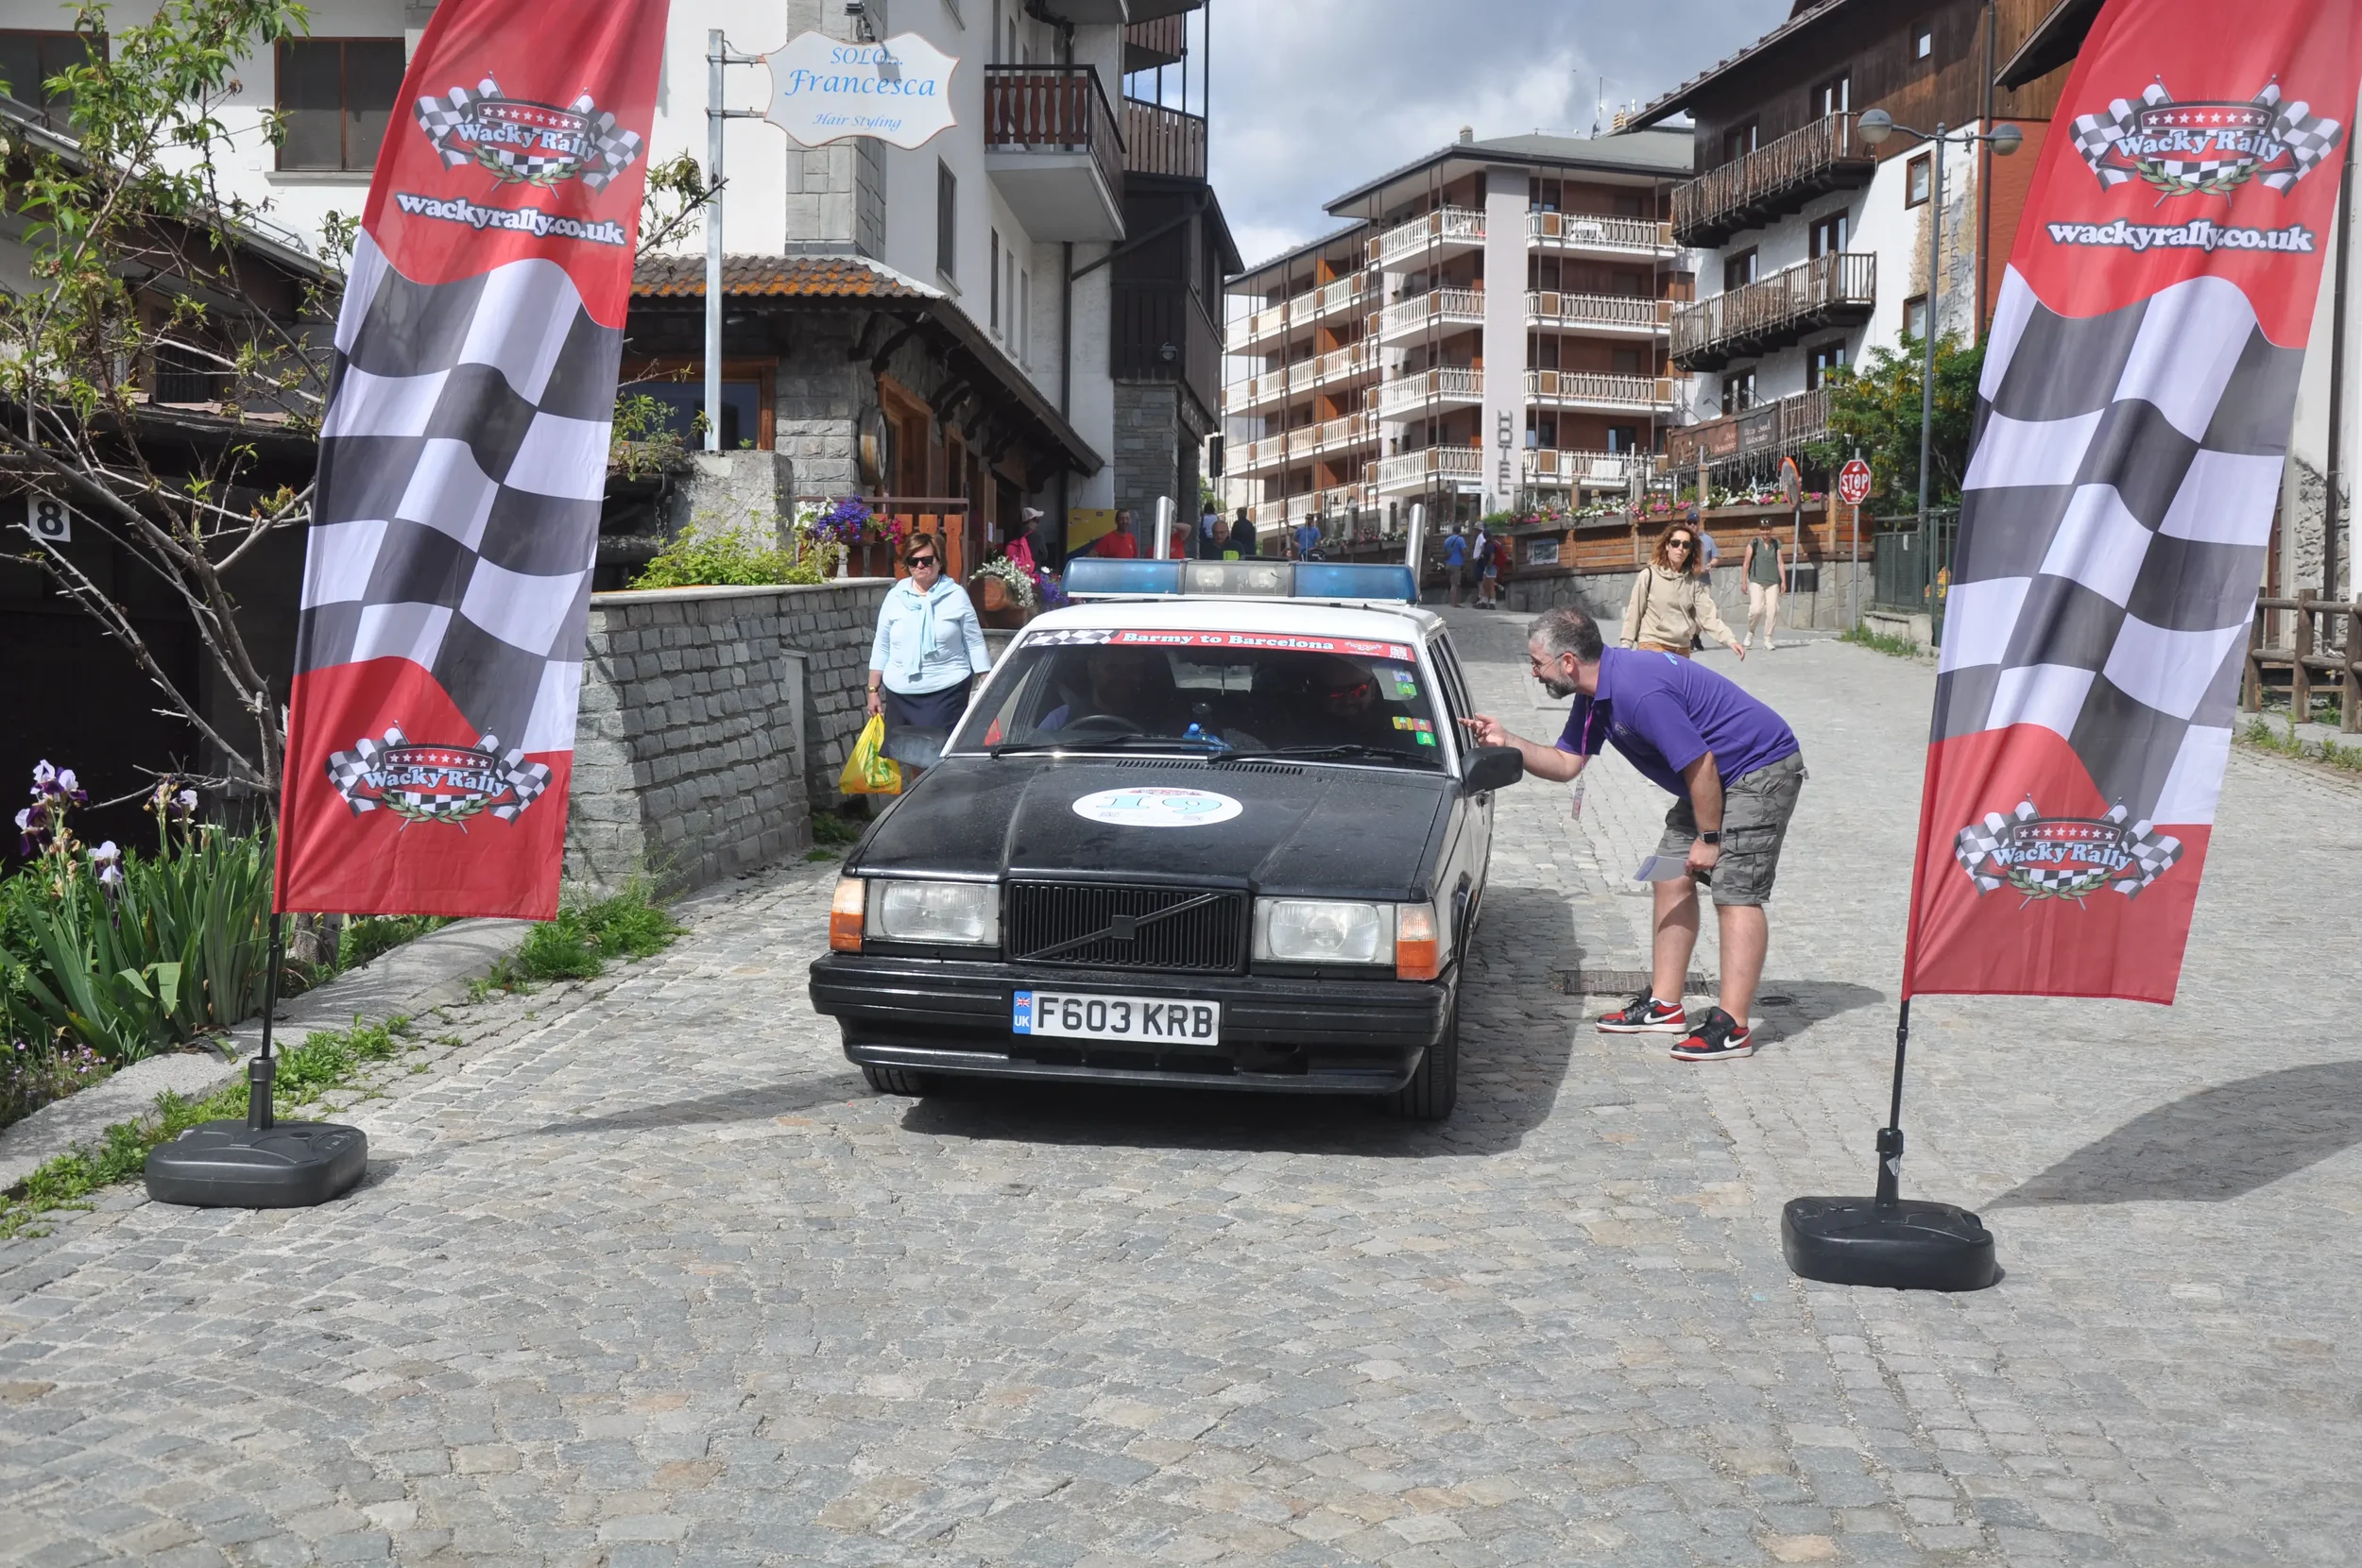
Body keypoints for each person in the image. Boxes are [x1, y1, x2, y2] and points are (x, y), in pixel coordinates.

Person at [1464, 605, 1806, 1062]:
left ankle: (1733, 1026)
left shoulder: (1637, 691)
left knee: (1735, 889)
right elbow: (1567, 765)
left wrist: (1709, 840)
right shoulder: (1594, 694)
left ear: (1568, 662)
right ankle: (1665, 1005)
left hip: (1757, 768)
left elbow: (1700, 762)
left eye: (1536, 663)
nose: (1533, 674)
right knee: (1669, 872)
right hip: (1708, 779)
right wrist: (1510, 742)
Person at [866, 536, 992, 767]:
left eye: (926, 560)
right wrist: (873, 690)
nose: (920, 566)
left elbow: (974, 642)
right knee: (913, 758)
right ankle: (922, 800)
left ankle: (945, 800)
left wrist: (987, 681)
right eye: (913, 561)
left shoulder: (956, 595)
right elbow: (882, 644)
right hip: (902, 693)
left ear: (939, 561)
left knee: (941, 759)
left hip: (947, 690)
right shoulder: (895, 597)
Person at [1622, 524, 1744, 659]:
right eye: (1675, 543)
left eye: (1686, 545)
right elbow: (1634, 612)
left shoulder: (1692, 581)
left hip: (1682, 648)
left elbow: (1707, 616)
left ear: (1690, 551)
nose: (1680, 548)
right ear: (1667, 546)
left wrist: (1730, 640)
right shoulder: (1649, 575)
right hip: (1653, 644)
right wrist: (1625, 646)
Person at [1744, 523, 1784, 651]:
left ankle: (1768, 639)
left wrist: (1783, 581)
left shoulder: (1776, 544)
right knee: (1756, 609)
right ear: (1759, 530)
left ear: (1771, 530)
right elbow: (1746, 563)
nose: (1765, 532)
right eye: (1762, 529)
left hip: (1773, 582)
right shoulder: (1753, 543)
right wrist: (1743, 581)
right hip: (1757, 581)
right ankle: (1751, 632)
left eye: (1767, 529)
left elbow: (1780, 563)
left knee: (1773, 609)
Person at [1442, 528, 1468, 607]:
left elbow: (1445, 551)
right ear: (1460, 531)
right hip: (1456, 564)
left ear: (1453, 531)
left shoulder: (1447, 540)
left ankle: (1451, 601)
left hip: (1448, 564)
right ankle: (1454, 603)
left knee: (1451, 583)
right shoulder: (1460, 539)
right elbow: (1464, 551)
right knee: (1455, 584)